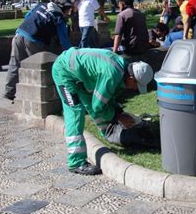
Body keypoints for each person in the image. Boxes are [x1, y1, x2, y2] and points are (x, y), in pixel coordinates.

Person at [52, 47, 154, 175]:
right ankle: (76, 163)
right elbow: (97, 106)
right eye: (136, 85)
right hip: (64, 72)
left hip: (79, 76)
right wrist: (118, 117)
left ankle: (108, 132)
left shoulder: (121, 67)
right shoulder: (112, 74)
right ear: (132, 78)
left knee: (93, 102)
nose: (135, 89)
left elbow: (106, 97)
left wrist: (118, 112)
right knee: (75, 112)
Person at [4, 0, 73, 100]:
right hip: (34, 40)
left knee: (15, 63)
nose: (68, 13)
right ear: (64, 9)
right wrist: (72, 55)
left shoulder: (41, 5)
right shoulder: (58, 18)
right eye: (68, 11)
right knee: (40, 66)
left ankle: (9, 92)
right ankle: (42, 95)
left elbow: (28, 16)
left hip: (20, 34)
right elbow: (64, 42)